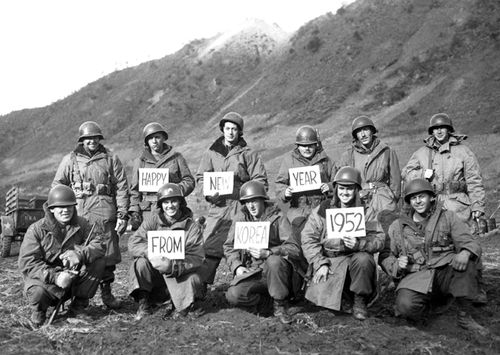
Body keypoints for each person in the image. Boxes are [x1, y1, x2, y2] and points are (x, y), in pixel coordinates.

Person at [380, 179, 487, 335]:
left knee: (469, 263)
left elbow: (470, 242)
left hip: (445, 272)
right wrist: (396, 264)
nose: (418, 201)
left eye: (421, 196)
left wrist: (465, 253)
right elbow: (385, 254)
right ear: (409, 201)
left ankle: (464, 316)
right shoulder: (398, 226)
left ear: (431, 197)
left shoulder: (448, 217)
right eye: (413, 198)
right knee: (405, 307)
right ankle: (426, 314)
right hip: (416, 275)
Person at [402, 113, 487, 303]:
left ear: (449, 129)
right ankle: (436, 284)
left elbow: (474, 181)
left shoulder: (464, 152)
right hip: (433, 203)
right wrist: (422, 173)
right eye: (435, 129)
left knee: (466, 243)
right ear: (431, 132)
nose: (439, 131)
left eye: (443, 128)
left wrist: (478, 207)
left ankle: (475, 286)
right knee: (436, 243)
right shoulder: (422, 153)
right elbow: (406, 173)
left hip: (459, 204)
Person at [52, 121, 129, 309]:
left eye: (95, 137)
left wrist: (123, 214)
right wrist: (60, 211)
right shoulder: (69, 160)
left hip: (104, 214)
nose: (92, 141)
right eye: (88, 138)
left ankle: (107, 294)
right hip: (79, 214)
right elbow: (57, 186)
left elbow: (122, 187)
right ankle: (75, 298)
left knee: (108, 255)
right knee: (75, 254)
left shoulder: (111, 158)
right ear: (82, 140)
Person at [301, 167, 385, 320]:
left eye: (350, 188)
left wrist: (360, 244)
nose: (345, 193)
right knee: (323, 302)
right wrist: (320, 263)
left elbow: (379, 239)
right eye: (341, 188)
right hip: (330, 261)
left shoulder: (366, 211)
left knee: (363, 259)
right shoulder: (323, 208)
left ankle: (360, 300)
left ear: (357, 190)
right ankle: (343, 299)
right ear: (336, 188)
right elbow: (308, 238)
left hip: (356, 262)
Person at [196, 112, 268, 289]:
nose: (230, 132)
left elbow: (261, 180)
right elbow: (201, 178)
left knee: (245, 247)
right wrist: (208, 193)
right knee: (209, 247)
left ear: (240, 132)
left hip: (241, 207)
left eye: (234, 129)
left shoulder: (249, 154)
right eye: (227, 128)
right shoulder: (211, 153)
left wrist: (247, 187)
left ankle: (250, 285)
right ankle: (200, 289)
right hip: (218, 208)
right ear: (222, 129)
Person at [18, 185, 106, 327]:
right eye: (60, 207)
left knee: (99, 262)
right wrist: (56, 277)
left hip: (73, 279)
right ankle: (39, 312)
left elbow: (99, 245)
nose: (66, 210)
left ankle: (78, 307)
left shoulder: (82, 224)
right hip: (45, 282)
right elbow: (28, 263)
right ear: (51, 208)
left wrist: (80, 254)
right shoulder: (36, 230)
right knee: (37, 292)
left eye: (69, 206)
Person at [224, 181, 306, 324]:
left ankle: (280, 304)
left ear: (263, 200)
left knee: (273, 261)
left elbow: (294, 248)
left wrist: (269, 253)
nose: (251, 206)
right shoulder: (240, 219)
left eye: (254, 200)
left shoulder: (278, 218)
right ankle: (267, 303)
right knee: (233, 295)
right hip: (253, 272)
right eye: (247, 202)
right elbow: (229, 247)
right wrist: (237, 266)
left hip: (278, 273)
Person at [128, 183, 205, 320]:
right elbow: (134, 242)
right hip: (157, 275)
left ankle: (183, 304)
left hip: (179, 274)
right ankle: (144, 303)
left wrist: (172, 265)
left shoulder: (191, 226)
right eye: (166, 202)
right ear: (161, 205)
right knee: (140, 263)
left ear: (180, 203)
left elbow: (197, 257)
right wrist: (151, 253)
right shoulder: (152, 221)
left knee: (195, 279)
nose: (170, 206)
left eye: (174, 201)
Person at [128, 122, 195, 230]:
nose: (154, 141)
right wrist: (134, 212)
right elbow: (135, 190)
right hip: (148, 211)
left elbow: (189, 181)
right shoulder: (140, 161)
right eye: (150, 138)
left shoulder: (176, 158)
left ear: (163, 138)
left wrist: (175, 190)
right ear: (147, 142)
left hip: (171, 209)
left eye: (157, 137)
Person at [275, 125, 338, 231]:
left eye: (310, 145)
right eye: (303, 146)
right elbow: (279, 184)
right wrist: (285, 192)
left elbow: (338, 183)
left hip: (322, 208)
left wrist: (329, 187)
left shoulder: (326, 161)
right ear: (298, 146)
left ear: (316, 145)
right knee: (299, 239)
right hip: (298, 210)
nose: (307, 149)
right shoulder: (289, 161)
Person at [339, 116, 401, 223]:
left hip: (384, 199)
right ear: (355, 136)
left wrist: (391, 198)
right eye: (359, 132)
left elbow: (395, 181)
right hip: (360, 200)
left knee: (389, 231)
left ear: (372, 131)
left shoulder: (387, 151)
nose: (363, 134)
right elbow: (342, 181)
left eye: (366, 130)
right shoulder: (348, 155)